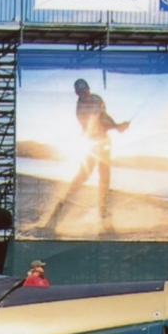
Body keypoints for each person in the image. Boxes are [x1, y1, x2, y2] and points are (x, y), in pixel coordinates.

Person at [40, 78, 130, 230]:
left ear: (88, 88)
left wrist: (116, 126)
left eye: (85, 90)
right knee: (82, 177)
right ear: (77, 94)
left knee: (104, 178)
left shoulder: (97, 98)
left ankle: (103, 213)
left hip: (104, 144)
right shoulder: (80, 108)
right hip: (92, 144)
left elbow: (105, 117)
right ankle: (58, 211)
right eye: (80, 92)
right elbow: (97, 125)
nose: (84, 94)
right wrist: (118, 127)